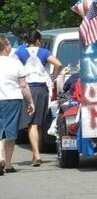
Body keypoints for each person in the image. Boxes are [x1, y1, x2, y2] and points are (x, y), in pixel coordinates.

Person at [14, 29, 62, 166]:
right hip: (42, 89)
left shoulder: (20, 52)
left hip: (28, 88)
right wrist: (53, 77)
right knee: (39, 122)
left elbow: (13, 64)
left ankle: (36, 154)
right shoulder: (44, 52)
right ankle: (38, 151)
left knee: (31, 123)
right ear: (38, 41)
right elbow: (58, 64)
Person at [0, 35, 35, 175]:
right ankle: (8, 164)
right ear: (6, 47)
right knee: (10, 133)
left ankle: (0, 157)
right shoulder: (15, 63)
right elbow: (23, 85)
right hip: (12, 99)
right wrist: (31, 101)